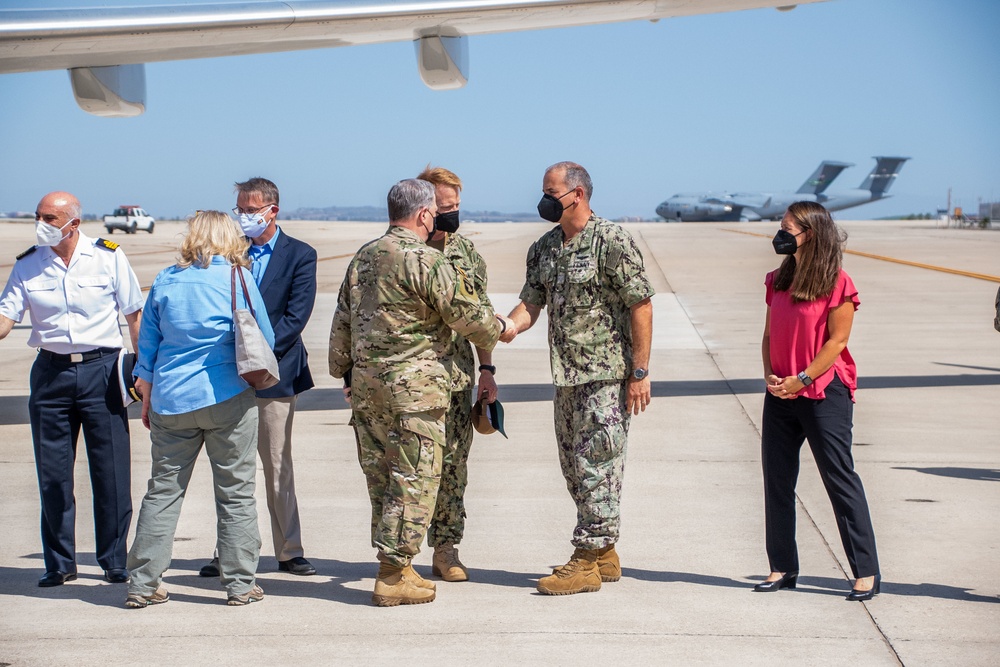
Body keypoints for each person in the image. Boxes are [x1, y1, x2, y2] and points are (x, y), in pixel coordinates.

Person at [328, 179, 509, 606]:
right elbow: (472, 319)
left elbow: (341, 326)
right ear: (425, 215)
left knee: (383, 479)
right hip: (415, 393)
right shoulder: (426, 260)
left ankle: (397, 564)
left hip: (368, 390)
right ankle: (393, 576)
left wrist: (345, 375)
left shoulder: (363, 257)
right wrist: (498, 328)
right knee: (416, 480)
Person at [503, 162, 654, 596]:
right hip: (566, 377)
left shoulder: (611, 241)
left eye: (552, 192)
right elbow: (530, 303)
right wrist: (508, 326)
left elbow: (640, 305)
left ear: (578, 194)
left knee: (597, 465)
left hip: (606, 375)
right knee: (573, 467)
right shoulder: (545, 248)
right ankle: (605, 550)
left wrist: (639, 373)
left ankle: (585, 560)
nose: (545, 200)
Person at [125, 210, 274, 608]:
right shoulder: (238, 278)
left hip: (172, 400)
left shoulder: (166, 279)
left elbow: (148, 346)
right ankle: (240, 585)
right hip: (228, 397)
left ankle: (142, 582)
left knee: (163, 491)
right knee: (236, 493)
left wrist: (148, 393)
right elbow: (265, 335)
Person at [0, 191, 142, 588]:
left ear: (73, 223)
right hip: (50, 375)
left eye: (50, 217)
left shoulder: (109, 256)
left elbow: (134, 316)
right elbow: (6, 317)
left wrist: (144, 370)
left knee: (111, 471)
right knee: (53, 475)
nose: (41, 222)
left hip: (102, 371)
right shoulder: (29, 265)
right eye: (39, 215)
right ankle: (60, 563)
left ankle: (114, 559)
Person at [755, 200, 880, 601]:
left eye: (789, 227)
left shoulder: (837, 282)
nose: (781, 232)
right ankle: (782, 567)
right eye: (782, 225)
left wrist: (803, 378)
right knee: (776, 480)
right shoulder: (777, 279)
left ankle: (866, 572)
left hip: (824, 392)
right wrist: (771, 377)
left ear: (812, 233)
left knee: (839, 478)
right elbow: (769, 335)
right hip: (781, 393)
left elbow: (837, 341)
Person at [198, 177, 318, 579]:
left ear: (272, 210)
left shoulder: (300, 254)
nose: (244, 216)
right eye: (240, 209)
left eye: (251, 209)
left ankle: (289, 549)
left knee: (277, 463)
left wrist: (257, 357)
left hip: (276, 375)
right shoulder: (228, 253)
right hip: (229, 375)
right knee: (232, 466)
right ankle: (227, 551)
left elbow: (295, 318)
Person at [416, 166, 498, 582]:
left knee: (452, 467)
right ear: (425, 207)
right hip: (408, 380)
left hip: (456, 378)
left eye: (457, 207)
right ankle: (398, 553)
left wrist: (487, 370)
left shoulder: (466, 254)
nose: (452, 215)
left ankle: (445, 550)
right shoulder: (398, 251)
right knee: (409, 469)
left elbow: (481, 318)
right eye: (445, 208)